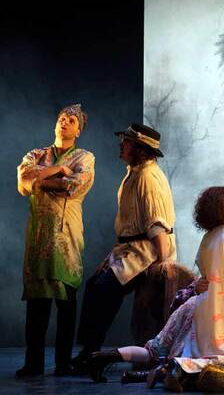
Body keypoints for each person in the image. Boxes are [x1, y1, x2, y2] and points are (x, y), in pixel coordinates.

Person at [89, 187, 224, 385]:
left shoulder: (208, 239)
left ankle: (103, 357)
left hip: (202, 308)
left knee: (156, 349)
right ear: (223, 209)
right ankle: (172, 368)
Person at [71, 123, 177, 373]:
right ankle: (89, 350)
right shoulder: (135, 173)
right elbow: (128, 228)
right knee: (94, 285)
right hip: (130, 250)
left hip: (147, 251)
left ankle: (92, 355)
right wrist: (111, 257)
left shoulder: (149, 178)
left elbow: (157, 224)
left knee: (105, 289)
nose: (122, 145)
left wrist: (163, 263)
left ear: (139, 149)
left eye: (127, 142)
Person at [15, 104, 95, 377]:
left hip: (66, 237)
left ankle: (63, 363)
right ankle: (33, 362)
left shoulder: (85, 157)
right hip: (38, 238)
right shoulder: (36, 154)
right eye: (61, 118)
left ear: (78, 130)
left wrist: (42, 178)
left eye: (71, 120)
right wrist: (57, 172)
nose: (64, 122)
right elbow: (23, 182)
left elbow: (73, 186)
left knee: (66, 301)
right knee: (37, 304)